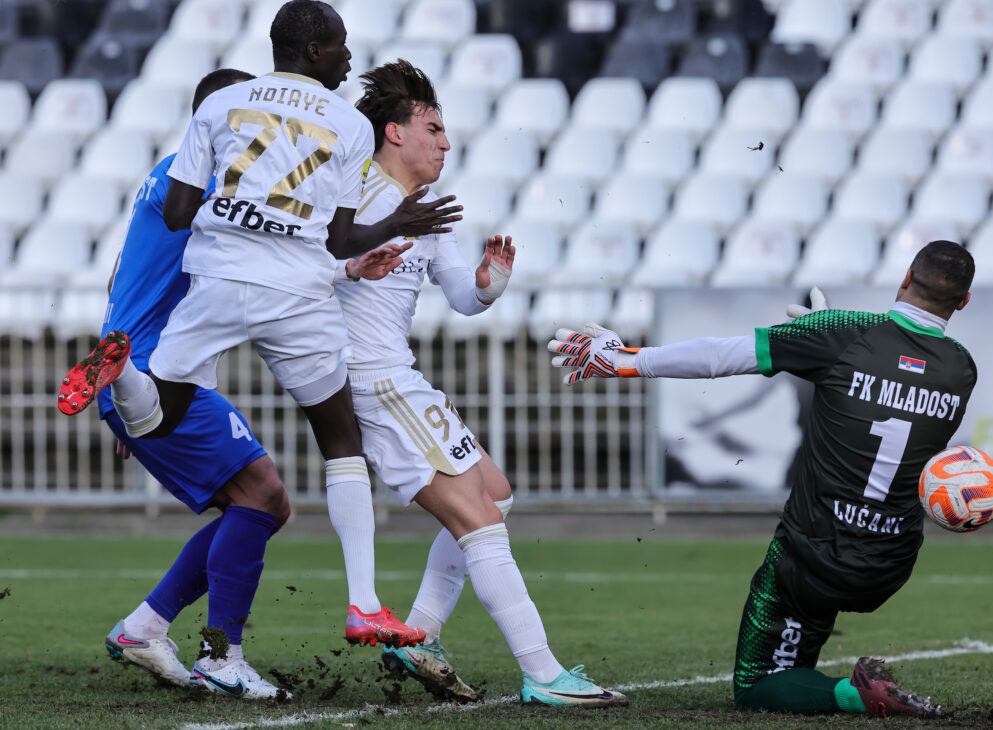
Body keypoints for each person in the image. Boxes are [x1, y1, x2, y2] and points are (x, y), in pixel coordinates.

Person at [58, 1, 460, 654]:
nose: (349, 58)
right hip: (295, 296)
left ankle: (121, 369)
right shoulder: (345, 124)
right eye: (341, 47)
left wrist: (240, 210)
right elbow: (336, 239)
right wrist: (399, 223)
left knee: (154, 417)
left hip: (216, 284)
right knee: (339, 442)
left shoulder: (219, 110)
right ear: (315, 52)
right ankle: (358, 607)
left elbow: (179, 213)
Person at [549, 241, 977, 718]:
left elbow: (719, 356)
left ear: (903, 278)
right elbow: (888, 385)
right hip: (888, 565)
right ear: (963, 302)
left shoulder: (842, 333)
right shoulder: (960, 369)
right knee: (797, 664)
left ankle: (856, 694)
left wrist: (625, 359)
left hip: (812, 558)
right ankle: (817, 676)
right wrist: (819, 338)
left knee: (757, 687)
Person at [334, 59, 628, 708]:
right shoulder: (348, 196)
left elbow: (464, 299)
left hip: (401, 379)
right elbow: (305, 269)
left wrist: (491, 281)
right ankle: (544, 673)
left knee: (496, 495)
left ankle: (420, 636)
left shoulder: (429, 213)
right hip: (375, 380)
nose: (445, 141)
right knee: (480, 522)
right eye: (433, 128)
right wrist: (354, 268)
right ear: (393, 134)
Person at [96, 68, 292, 700]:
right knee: (262, 495)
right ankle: (220, 655)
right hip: (154, 369)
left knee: (262, 501)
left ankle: (146, 626)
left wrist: (130, 398)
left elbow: (117, 284)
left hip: (144, 373)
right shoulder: (203, 180)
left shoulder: (171, 174)